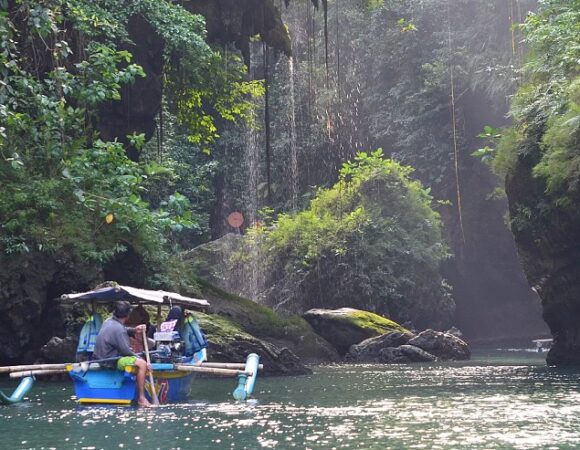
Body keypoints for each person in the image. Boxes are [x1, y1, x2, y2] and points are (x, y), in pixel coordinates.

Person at [93, 301, 153, 407]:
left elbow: (122, 330)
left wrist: (134, 330)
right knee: (142, 364)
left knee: (139, 360)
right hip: (111, 361)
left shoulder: (108, 321)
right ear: (127, 315)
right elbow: (127, 351)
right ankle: (142, 399)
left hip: (100, 358)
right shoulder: (119, 330)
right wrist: (143, 360)